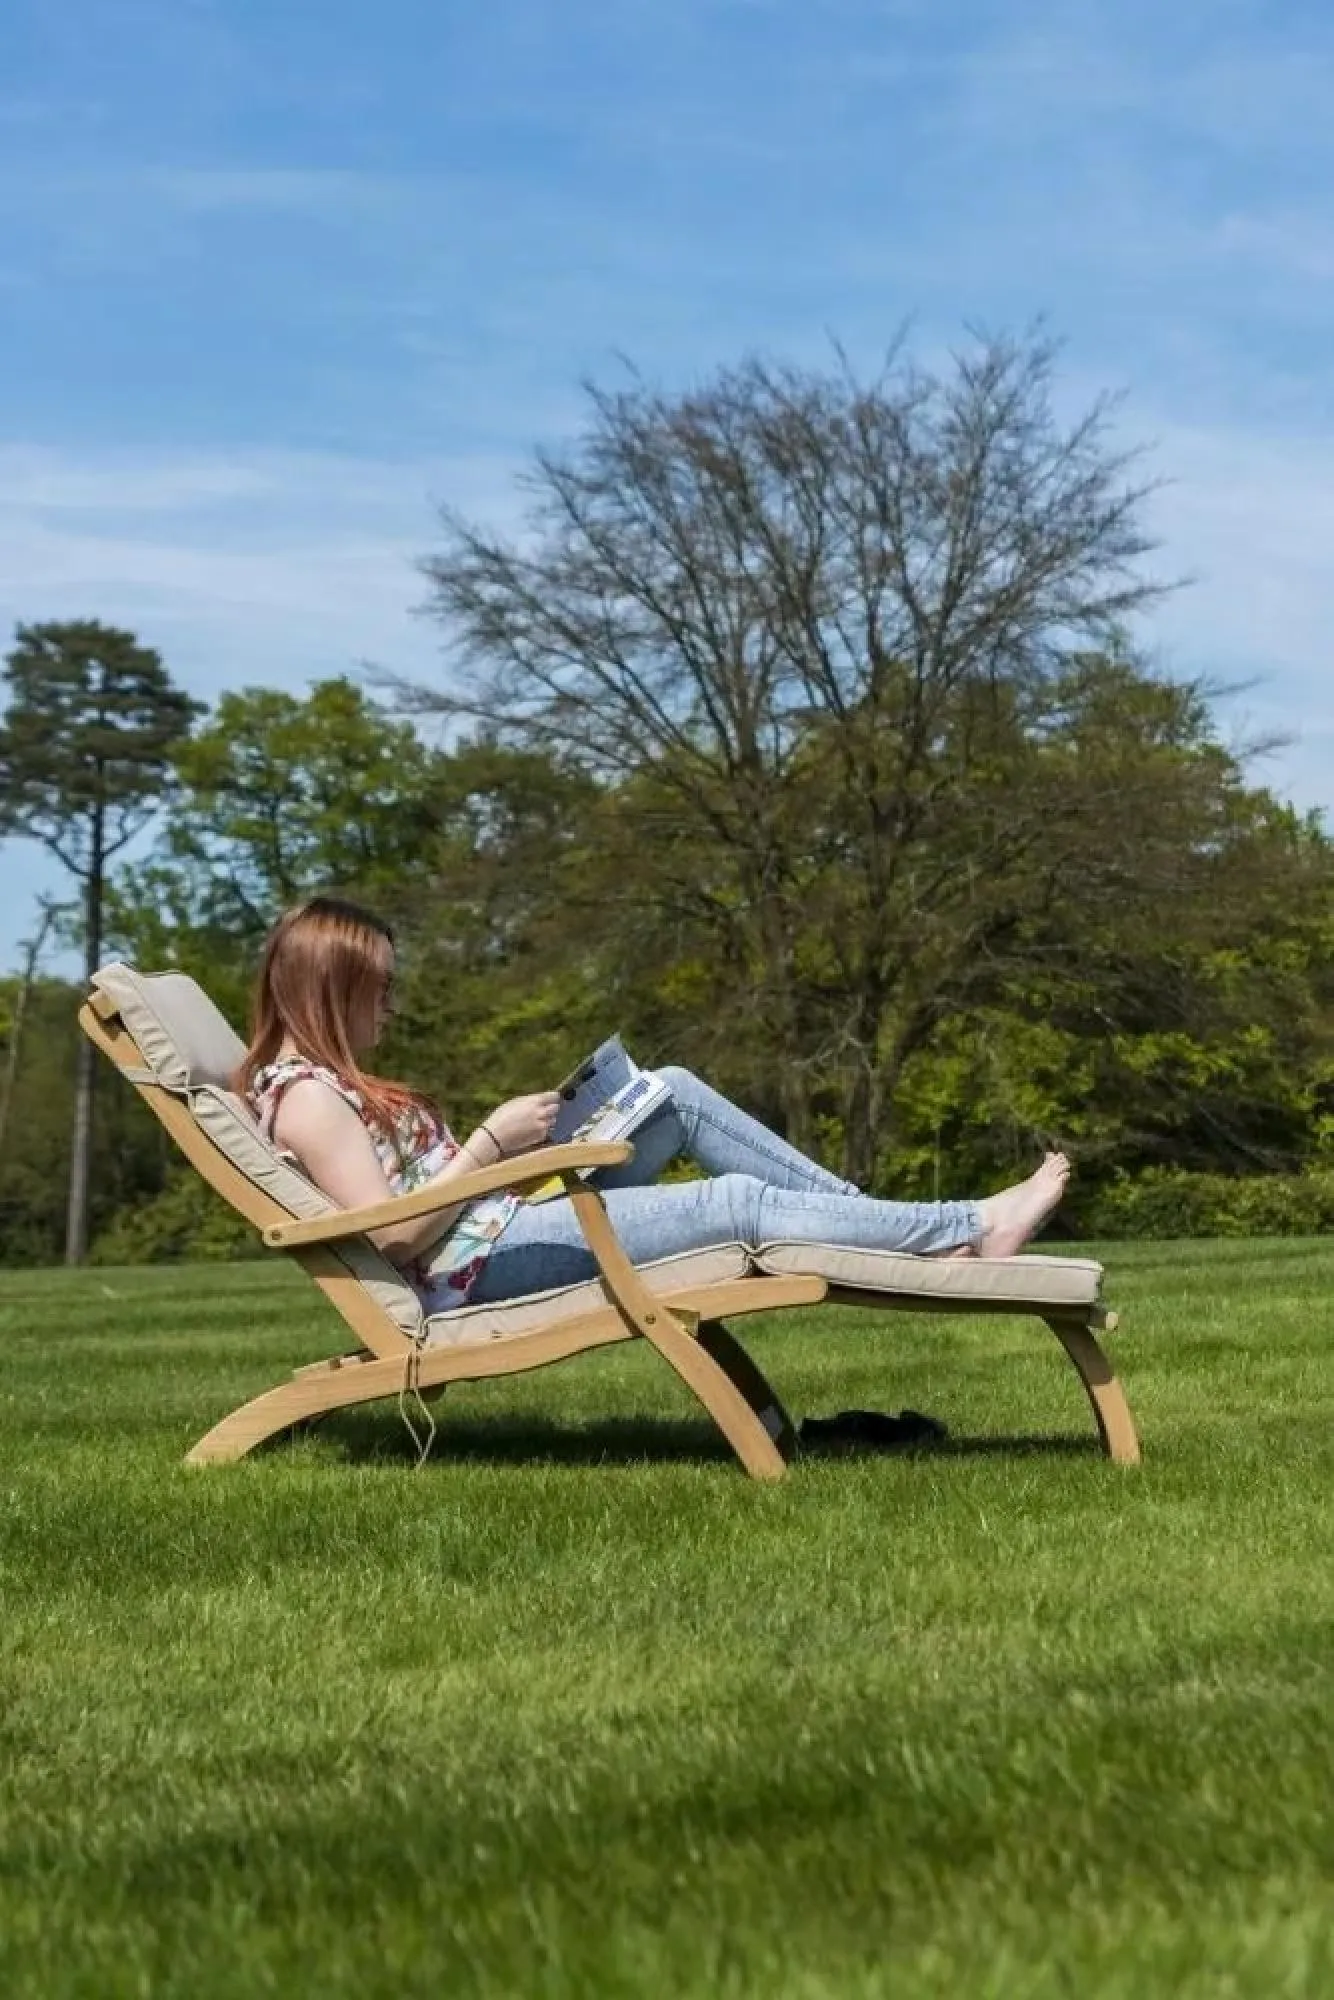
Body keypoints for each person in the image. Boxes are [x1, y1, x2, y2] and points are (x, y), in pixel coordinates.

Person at [237, 896, 1071, 1316]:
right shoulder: (308, 1098)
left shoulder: (315, 1082)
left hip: (494, 1228)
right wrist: (491, 1146)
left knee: (671, 1090)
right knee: (734, 1206)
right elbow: (390, 1236)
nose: (391, 1007)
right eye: (379, 989)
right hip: (476, 1268)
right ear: (331, 987)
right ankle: (963, 1225)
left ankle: (880, 1230)